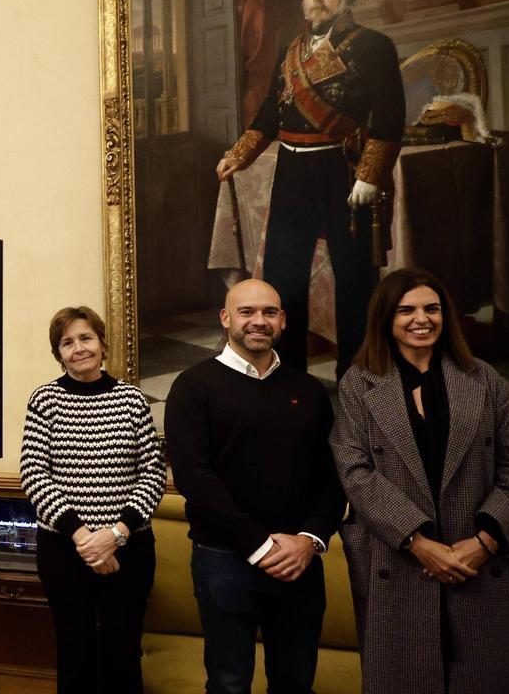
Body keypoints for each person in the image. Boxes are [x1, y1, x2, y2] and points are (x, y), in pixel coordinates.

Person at [216, 0, 406, 379]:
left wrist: (369, 176)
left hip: (344, 169)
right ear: (302, 0)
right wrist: (241, 152)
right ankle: (288, 377)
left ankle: (358, 378)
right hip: (292, 172)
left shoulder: (374, 46)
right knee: (284, 277)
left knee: (355, 277)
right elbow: (271, 111)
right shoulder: (291, 47)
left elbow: (391, 119)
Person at [330, 268, 509, 693]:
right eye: (406, 310)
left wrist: (484, 543)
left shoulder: (484, 380)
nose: (421, 319)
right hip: (399, 562)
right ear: (386, 320)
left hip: (479, 561)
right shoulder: (359, 383)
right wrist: (419, 542)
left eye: (432, 308)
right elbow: (355, 472)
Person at [165, 278, 345, 694]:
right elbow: (196, 479)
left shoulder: (308, 390)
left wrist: (309, 540)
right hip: (224, 561)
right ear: (226, 318)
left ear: (282, 320)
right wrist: (261, 546)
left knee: (296, 683)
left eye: (269, 312)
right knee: (229, 684)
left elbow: (333, 475)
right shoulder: (193, 387)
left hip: (299, 561)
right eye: (247, 312)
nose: (258, 321)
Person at [20, 305, 166, 693]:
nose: (78, 348)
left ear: (102, 344)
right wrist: (84, 538)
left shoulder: (132, 400)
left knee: (122, 656)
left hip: (129, 550)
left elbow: (152, 474)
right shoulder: (44, 400)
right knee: (74, 656)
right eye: (67, 343)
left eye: (86, 338)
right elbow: (34, 475)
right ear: (59, 354)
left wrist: (114, 535)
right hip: (64, 550)